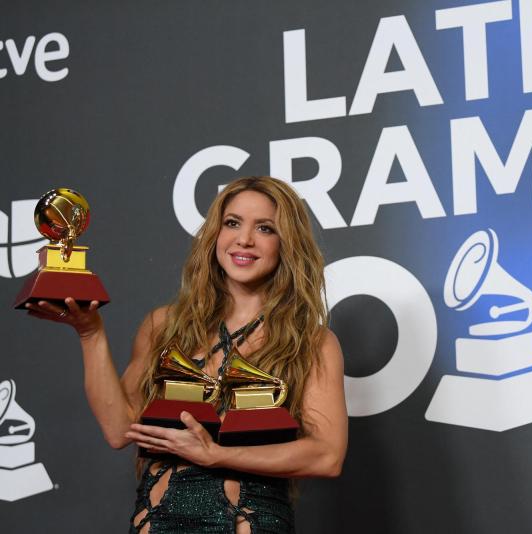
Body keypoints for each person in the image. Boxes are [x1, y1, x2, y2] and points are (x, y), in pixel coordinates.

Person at [26, 177, 348, 533]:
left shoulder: (313, 342)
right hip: (157, 518)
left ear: (286, 243)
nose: (244, 239)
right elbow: (119, 430)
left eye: (265, 228)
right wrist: (91, 334)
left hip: (249, 521)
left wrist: (217, 454)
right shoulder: (164, 324)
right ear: (214, 234)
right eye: (233, 223)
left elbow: (327, 456)